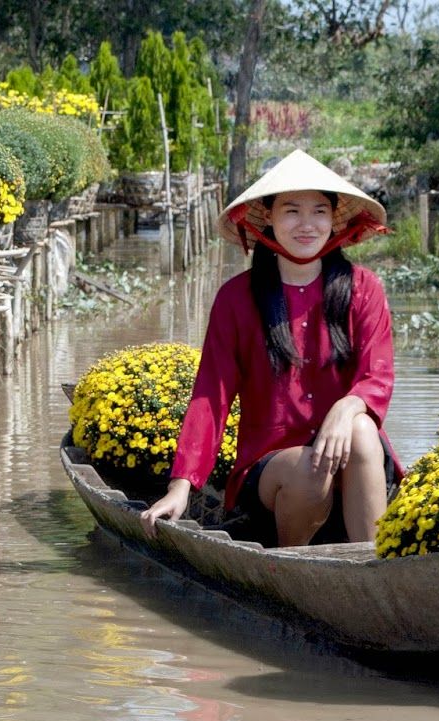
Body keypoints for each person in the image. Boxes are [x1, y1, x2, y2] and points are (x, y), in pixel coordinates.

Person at [141, 149, 403, 547]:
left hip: (354, 463)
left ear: (334, 220)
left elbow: (377, 375)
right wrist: (182, 485)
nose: (307, 224)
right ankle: (290, 565)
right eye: (292, 211)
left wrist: (345, 408)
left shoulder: (363, 288)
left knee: (364, 428)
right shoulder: (237, 299)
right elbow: (212, 395)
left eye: (319, 211)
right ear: (269, 219)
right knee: (311, 469)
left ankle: (372, 567)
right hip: (274, 473)